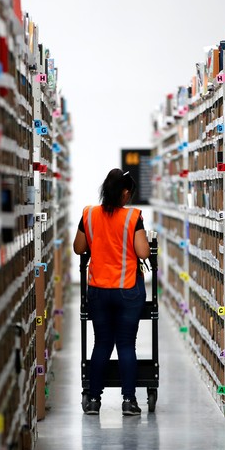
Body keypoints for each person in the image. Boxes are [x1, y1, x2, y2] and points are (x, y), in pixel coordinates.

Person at [73, 168, 151, 416]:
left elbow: (78, 248)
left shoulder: (89, 214)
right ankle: (129, 401)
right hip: (127, 290)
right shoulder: (132, 217)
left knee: (102, 344)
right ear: (125, 193)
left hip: (98, 290)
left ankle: (94, 400)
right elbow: (143, 253)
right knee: (126, 345)